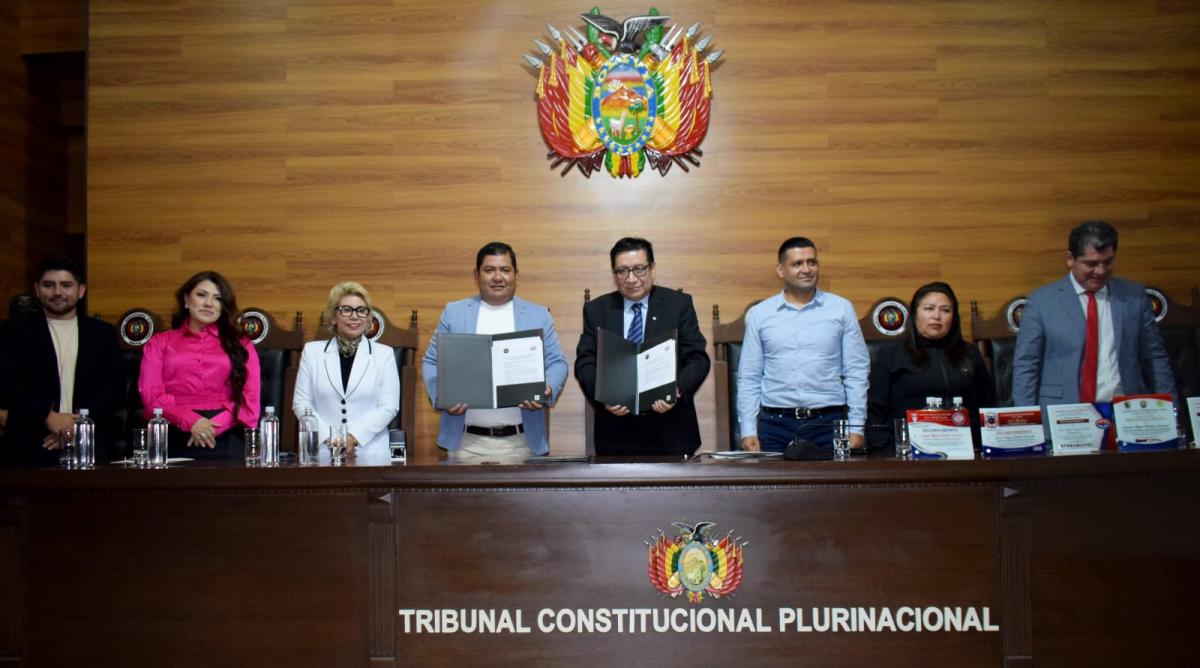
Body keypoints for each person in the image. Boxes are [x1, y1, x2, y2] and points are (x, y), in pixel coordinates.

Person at [423, 242, 568, 461]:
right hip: (465, 443)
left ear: (516, 275)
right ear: (476, 275)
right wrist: (441, 398)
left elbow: (557, 363)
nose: (498, 277)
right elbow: (431, 362)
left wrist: (546, 389)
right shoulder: (454, 313)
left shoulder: (538, 315)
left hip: (521, 442)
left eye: (505, 270)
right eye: (489, 270)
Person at [1012, 221, 1174, 408]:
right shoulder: (1042, 302)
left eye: (1108, 262)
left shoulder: (1134, 297)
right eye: (1091, 263)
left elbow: (1154, 357)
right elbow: (1026, 364)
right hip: (1065, 412)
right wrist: (1026, 418)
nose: (1100, 271)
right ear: (1070, 259)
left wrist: (1171, 411)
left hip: (1126, 410)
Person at [575, 237, 711, 456]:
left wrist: (676, 390)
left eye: (639, 269)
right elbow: (585, 362)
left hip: (671, 431)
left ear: (652, 269)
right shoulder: (597, 310)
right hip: (615, 433)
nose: (631, 279)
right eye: (622, 271)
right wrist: (603, 395)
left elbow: (698, 358)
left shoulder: (678, 304)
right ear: (614, 274)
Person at [736, 237, 870, 453]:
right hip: (774, 425)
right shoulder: (761, 314)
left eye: (812, 262)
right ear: (780, 270)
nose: (806, 269)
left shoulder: (841, 309)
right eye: (797, 264)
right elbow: (749, 377)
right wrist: (748, 430)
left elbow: (856, 371)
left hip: (828, 424)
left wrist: (856, 426)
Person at [0, 258, 124, 467]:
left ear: (80, 291)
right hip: (30, 443)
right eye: (49, 285)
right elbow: (9, 383)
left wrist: (75, 428)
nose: (57, 292)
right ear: (37, 290)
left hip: (89, 443)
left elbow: (113, 388)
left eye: (66, 285)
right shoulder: (13, 331)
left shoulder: (103, 333)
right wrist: (47, 417)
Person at [138, 271, 261, 461]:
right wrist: (192, 421)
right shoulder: (159, 343)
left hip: (226, 432)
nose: (209, 303)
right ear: (186, 299)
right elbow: (151, 396)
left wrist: (211, 427)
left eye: (218, 298)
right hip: (172, 431)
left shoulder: (242, 344)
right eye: (202, 295)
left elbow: (249, 399)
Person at [868, 282, 995, 451]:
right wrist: (888, 448)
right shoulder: (891, 354)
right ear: (914, 314)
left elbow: (988, 405)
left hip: (966, 448)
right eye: (929, 308)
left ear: (954, 318)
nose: (936, 316)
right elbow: (874, 411)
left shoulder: (969, 353)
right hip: (907, 450)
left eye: (945, 310)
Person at [293, 282, 399, 465]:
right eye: (346, 310)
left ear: (368, 317)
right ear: (333, 316)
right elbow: (301, 403)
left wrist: (352, 438)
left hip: (370, 453)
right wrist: (332, 438)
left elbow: (389, 406)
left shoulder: (384, 355)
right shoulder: (312, 352)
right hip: (322, 451)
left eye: (361, 310)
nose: (354, 316)